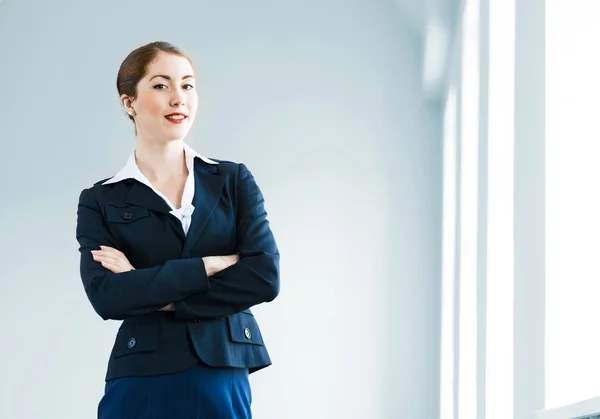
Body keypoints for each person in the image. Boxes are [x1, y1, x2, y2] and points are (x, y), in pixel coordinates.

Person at [75, 41, 280, 419]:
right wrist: (209, 266)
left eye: (187, 85)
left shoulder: (233, 180)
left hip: (222, 366)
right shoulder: (100, 199)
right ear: (129, 102)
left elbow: (264, 278)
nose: (178, 98)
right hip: (141, 372)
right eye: (161, 85)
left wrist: (148, 287)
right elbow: (107, 297)